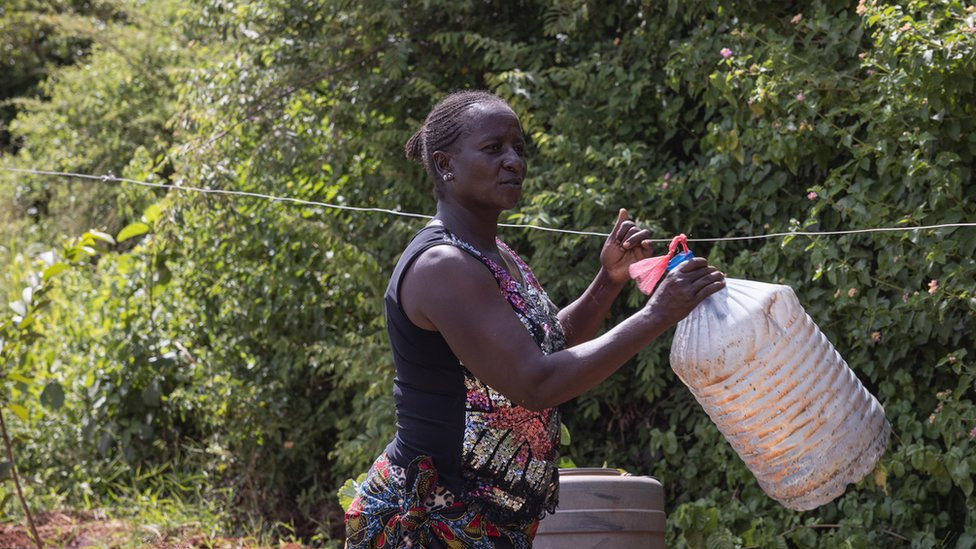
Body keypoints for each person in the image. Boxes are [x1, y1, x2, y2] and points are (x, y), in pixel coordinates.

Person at [344, 90, 725, 548]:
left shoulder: (496, 255)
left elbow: (547, 345)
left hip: (489, 522)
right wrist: (658, 313)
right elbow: (536, 382)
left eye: (519, 148)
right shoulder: (443, 266)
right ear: (445, 165)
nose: (514, 161)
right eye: (494, 148)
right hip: (433, 522)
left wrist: (608, 281)